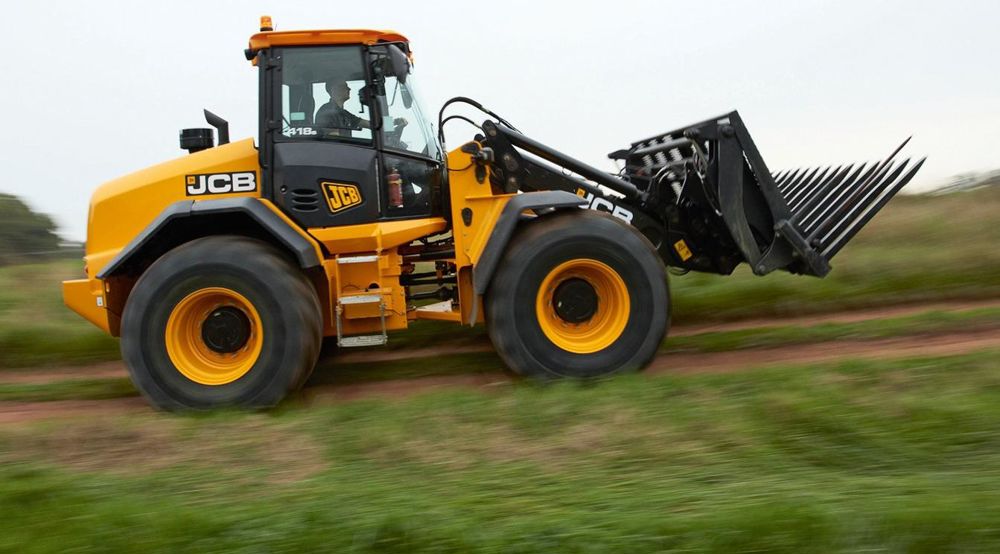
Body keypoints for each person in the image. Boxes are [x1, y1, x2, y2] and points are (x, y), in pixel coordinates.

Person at [315, 80, 406, 138]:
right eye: (345, 86)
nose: (349, 89)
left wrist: (394, 122)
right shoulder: (326, 112)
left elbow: (371, 124)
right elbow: (334, 140)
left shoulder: (344, 113)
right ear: (334, 89)